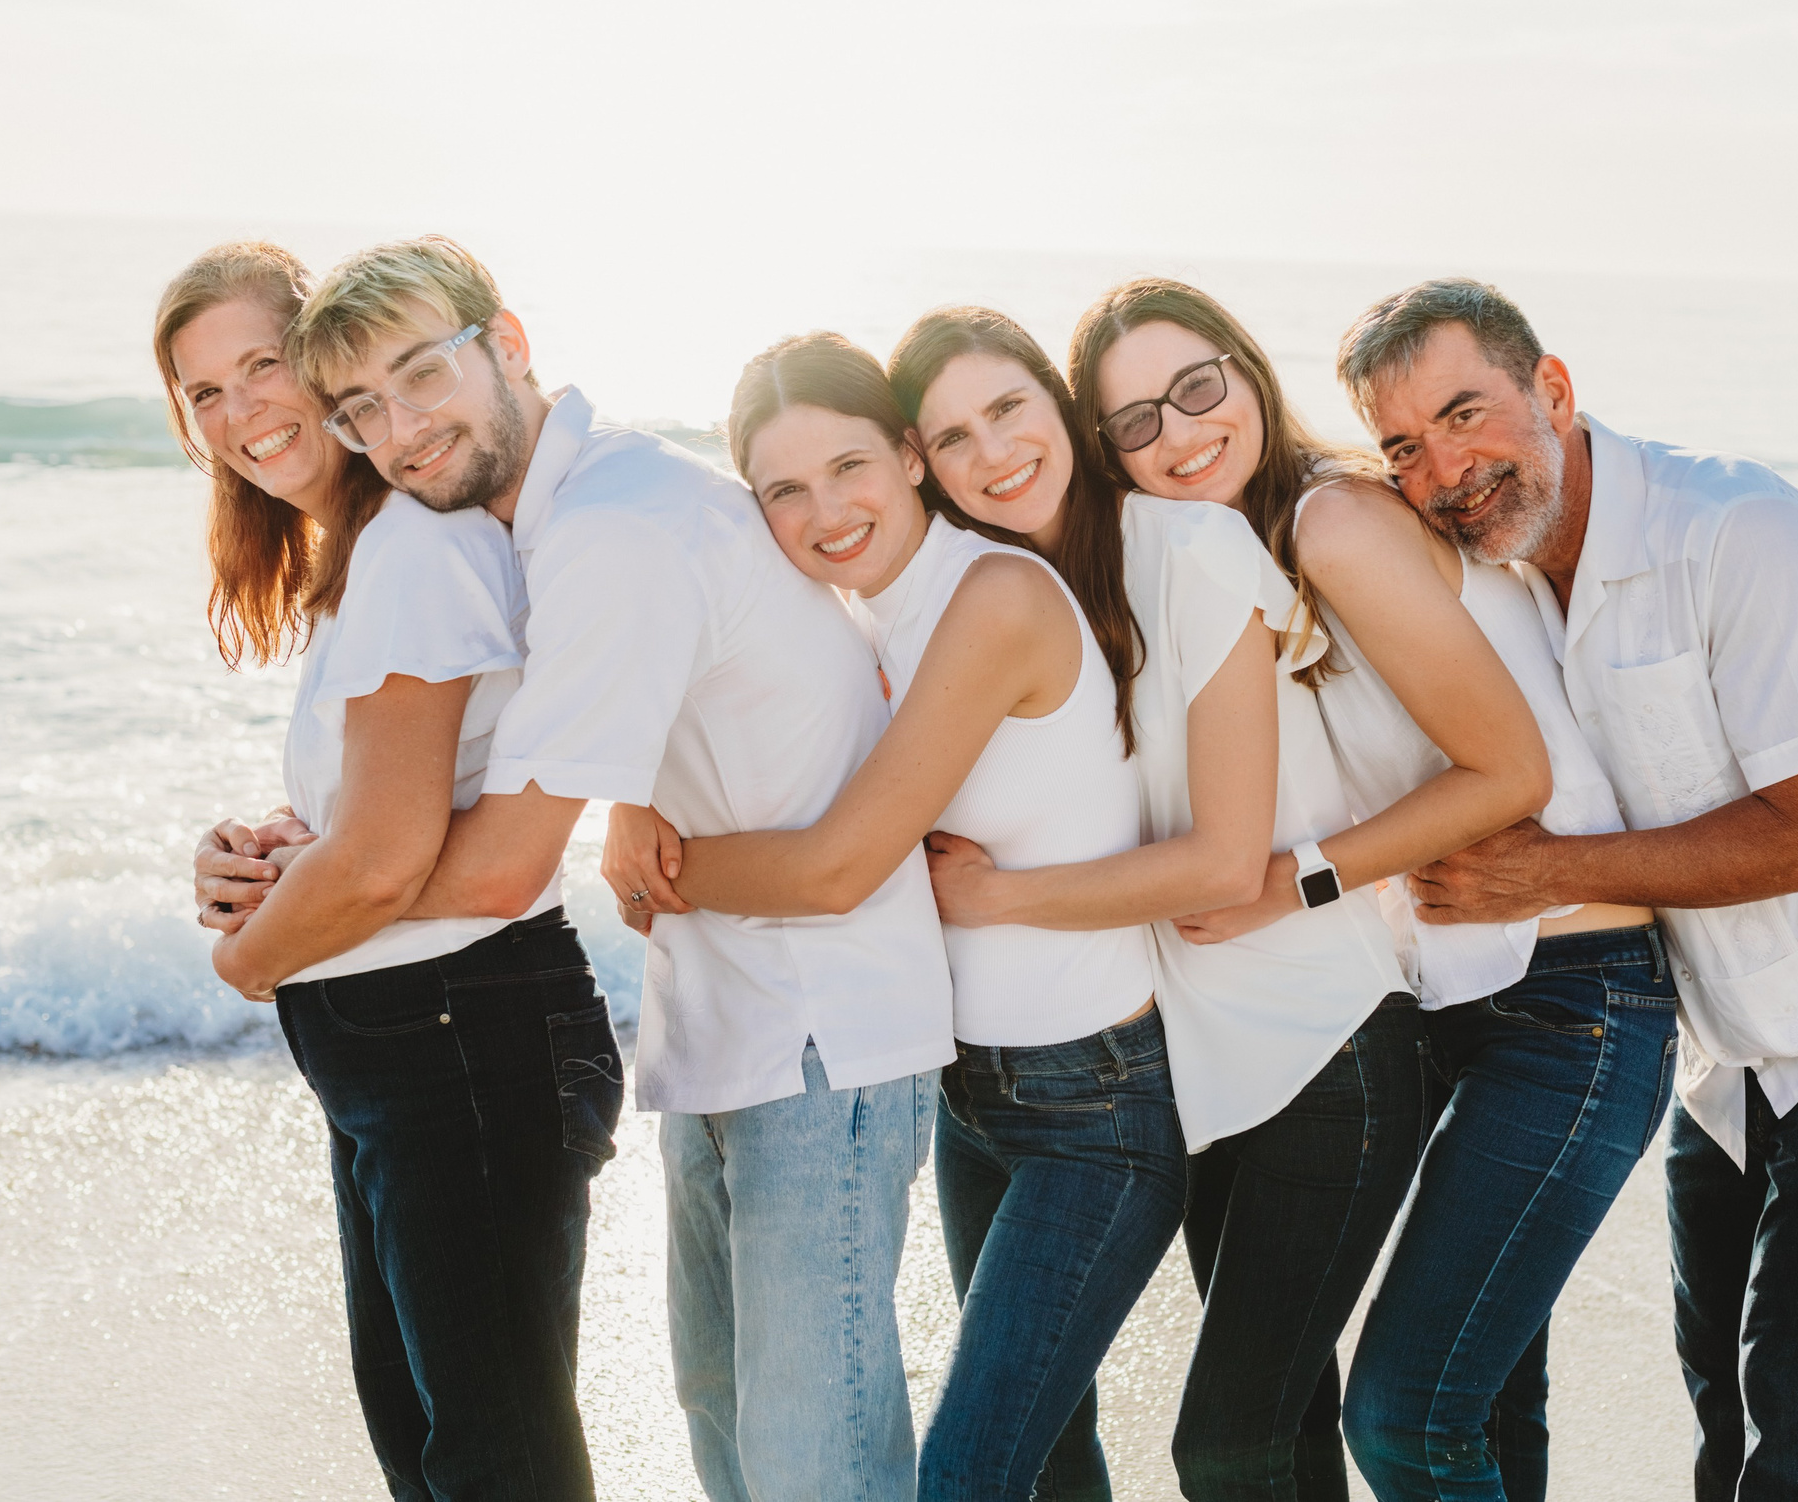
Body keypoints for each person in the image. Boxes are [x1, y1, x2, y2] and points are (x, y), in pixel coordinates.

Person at [269, 239, 954, 1502]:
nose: (397, 430)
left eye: (421, 375)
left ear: (508, 342)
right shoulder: (574, 506)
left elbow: (498, 871)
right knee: (726, 1422)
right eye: (360, 407)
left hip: (827, 1024)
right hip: (726, 1006)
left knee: (814, 1464)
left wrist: (290, 915)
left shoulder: (611, 526)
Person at [1357, 277, 1798, 1502]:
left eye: (1467, 414)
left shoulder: (1737, 531)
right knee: (1727, 1439)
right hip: (1724, 1056)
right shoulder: (1502, 575)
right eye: (1404, 446)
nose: (1446, 468)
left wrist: (1540, 877)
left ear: (1552, 389)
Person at [602, 327, 1203, 1502]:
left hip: (1096, 1108)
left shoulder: (993, 596)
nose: (824, 510)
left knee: (967, 1477)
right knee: (1047, 1466)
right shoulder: (863, 615)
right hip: (975, 1094)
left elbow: (837, 870)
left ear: (910, 458)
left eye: (848, 468)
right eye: (782, 489)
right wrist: (628, 793)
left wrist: (654, 865)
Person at [1040, 280, 1555, 1501]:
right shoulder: (1201, 551)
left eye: (1199, 388)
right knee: (1301, 1423)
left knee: (1267, 1434)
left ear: (1247, 370)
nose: (1179, 433)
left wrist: (1290, 885)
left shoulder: (1326, 523)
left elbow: (1511, 768)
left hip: (1486, 982)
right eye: (1134, 422)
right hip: (1354, 997)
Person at [162, 239, 621, 1502]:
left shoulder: (418, 551)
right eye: (206, 392)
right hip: (411, 1050)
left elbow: (377, 862)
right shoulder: (367, 560)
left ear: (325, 368)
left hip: (459, 1043)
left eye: (264, 364)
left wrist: (244, 957)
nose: (244, 409)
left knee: (491, 1463)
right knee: (433, 1450)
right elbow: (370, 816)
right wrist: (259, 852)